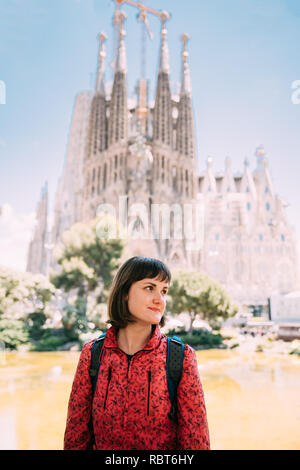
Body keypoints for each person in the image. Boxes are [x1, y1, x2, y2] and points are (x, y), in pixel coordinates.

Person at [63, 256, 210, 450]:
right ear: (124, 292)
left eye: (164, 291)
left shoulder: (180, 358)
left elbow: (195, 444)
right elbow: (76, 439)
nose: (160, 300)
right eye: (149, 288)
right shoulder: (93, 354)